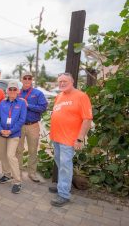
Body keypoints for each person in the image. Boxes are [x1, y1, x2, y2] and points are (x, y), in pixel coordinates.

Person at [49, 73, 92, 207]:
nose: (62, 83)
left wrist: (79, 139)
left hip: (69, 139)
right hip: (56, 138)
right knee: (61, 165)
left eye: (65, 81)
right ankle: (63, 186)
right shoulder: (59, 96)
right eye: (60, 81)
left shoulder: (81, 96)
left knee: (65, 167)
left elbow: (87, 119)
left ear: (72, 81)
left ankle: (64, 194)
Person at [16, 72, 48, 182]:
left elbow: (43, 108)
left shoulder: (37, 93)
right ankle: (18, 172)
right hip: (19, 126)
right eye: (25, 78)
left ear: (32, 80)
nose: (27, 80)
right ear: (21, 79)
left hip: (33, 125)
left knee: (33, 150)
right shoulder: (17, 93)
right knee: (18, 150)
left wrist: (28, 105)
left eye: (29, 78)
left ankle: (32, 173)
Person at [0, 81, 27, 194]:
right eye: (10, 89)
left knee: (10, 155)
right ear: (7, 91)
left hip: (13, 134)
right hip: (1, 134)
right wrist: (0, 129)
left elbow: (22, 120)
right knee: (3, 155)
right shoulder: (2, 103)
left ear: (18, 91)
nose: (12, 91)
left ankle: (17, 181)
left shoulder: (22, 103)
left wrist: (10, 131)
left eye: (14, 89)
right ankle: (7, 175)